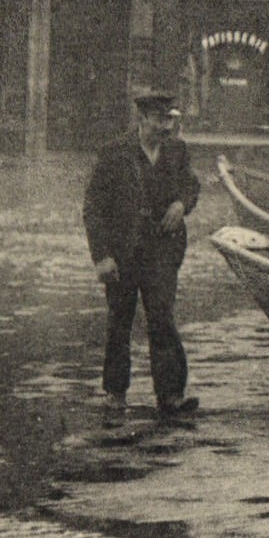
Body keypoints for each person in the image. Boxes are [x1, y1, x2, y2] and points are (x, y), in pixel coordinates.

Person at [82, 87, 202, 423]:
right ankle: (115, 393)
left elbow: (192, 186)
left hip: (163, 249)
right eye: (160, 120)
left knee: (162, 318)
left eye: (170, 120)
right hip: (123, 253)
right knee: (120, 321)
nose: (166, 127)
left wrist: (182, 204)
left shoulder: (177, 151)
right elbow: (93, 209)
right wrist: (101, 257)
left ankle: (171, 395)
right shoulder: (114, 153)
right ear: (143, 118)